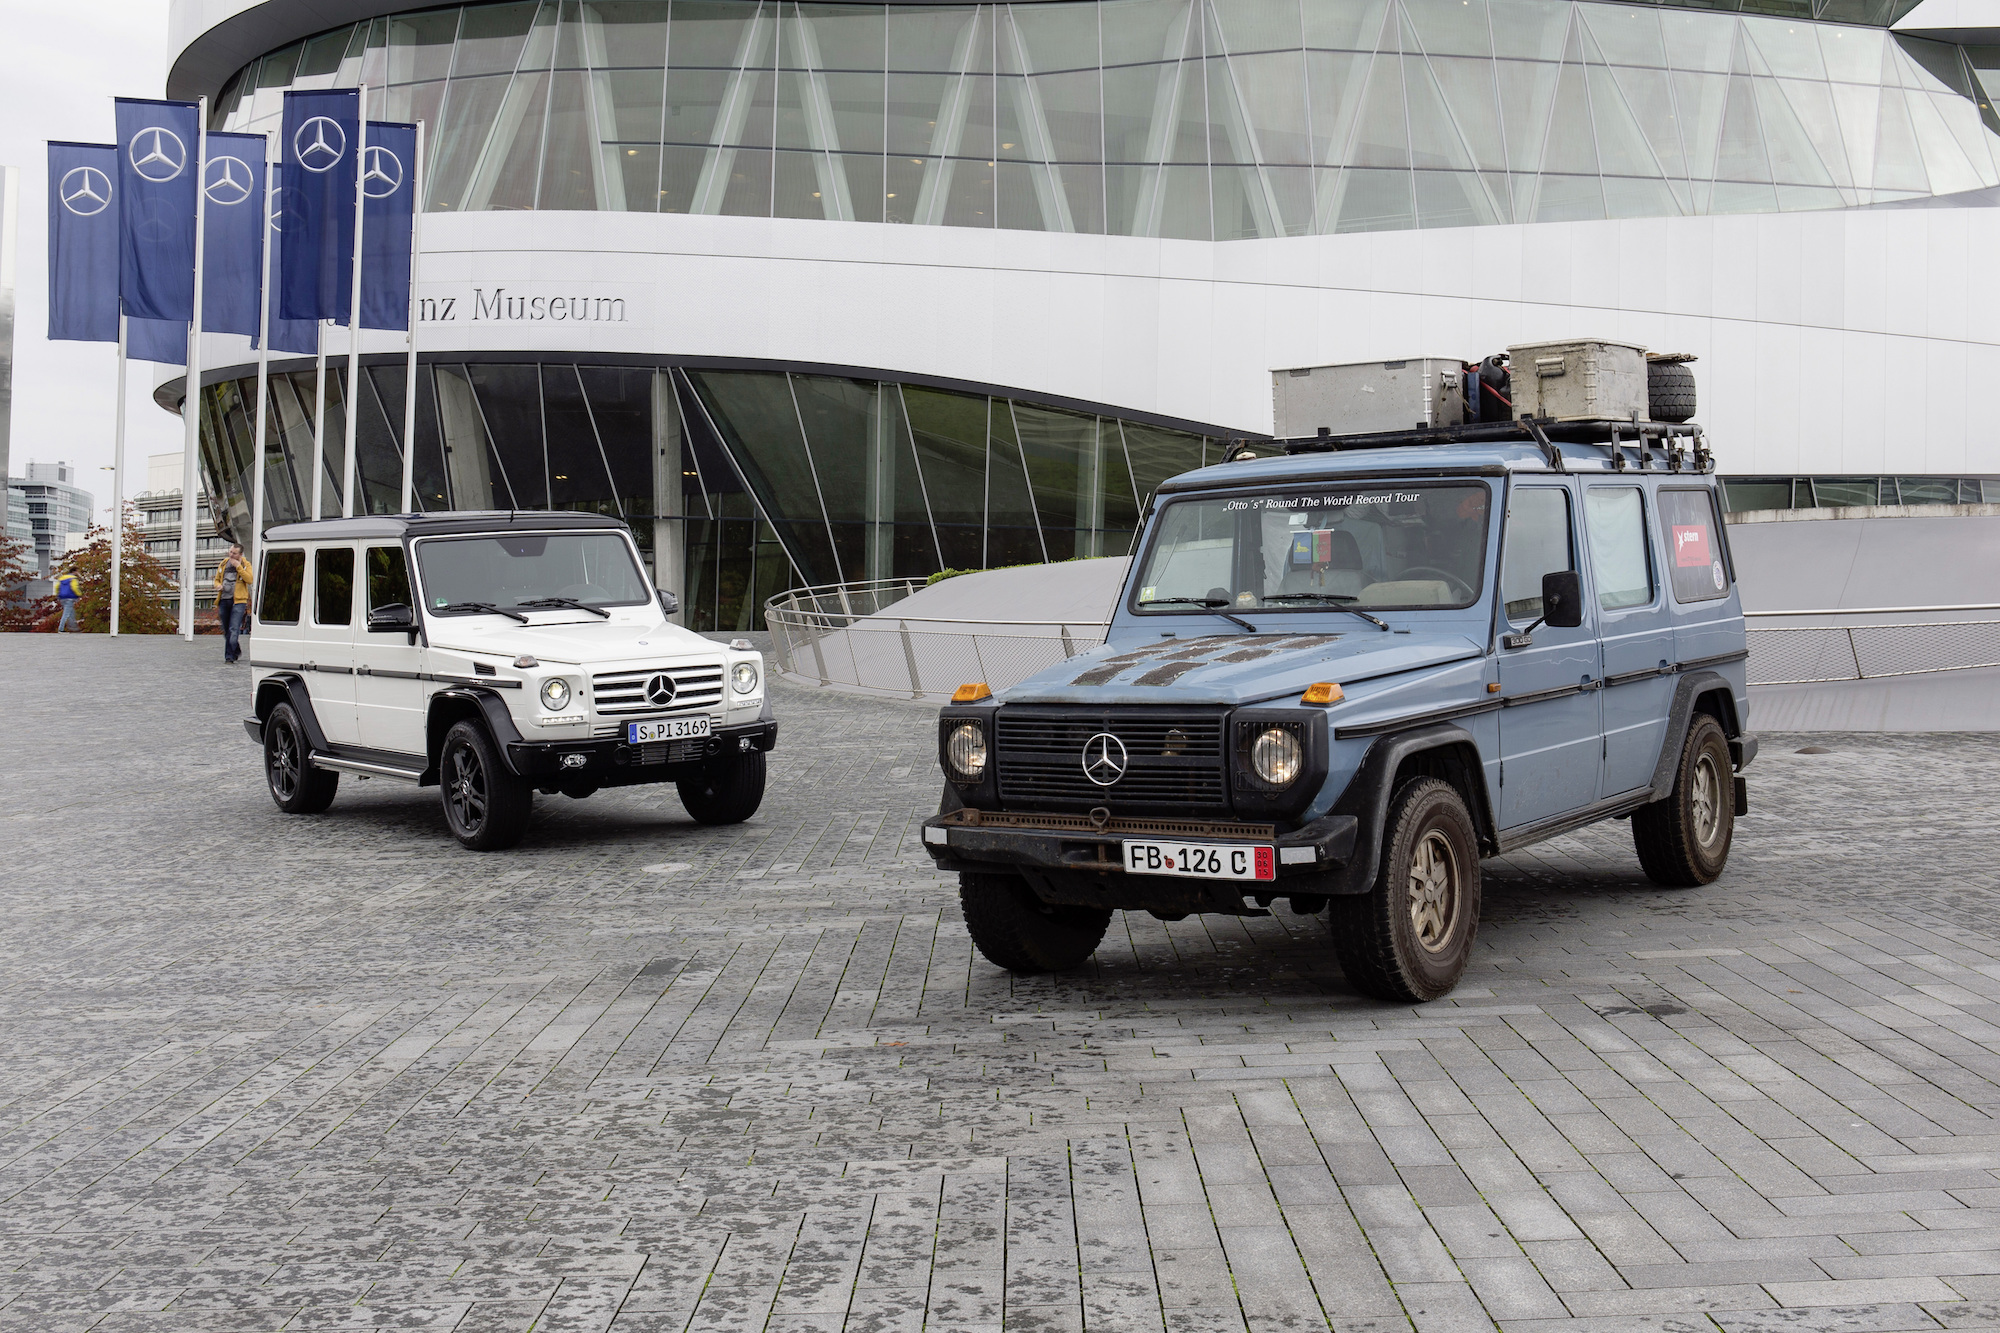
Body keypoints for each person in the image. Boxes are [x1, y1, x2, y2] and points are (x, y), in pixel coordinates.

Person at [213, 544, 253, 663]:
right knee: (226, 630)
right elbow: (216, 579)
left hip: (238, 601)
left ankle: (229, 657)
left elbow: (250, 579)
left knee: (233, 628)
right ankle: (236, 649)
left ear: (240, 554)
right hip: (224, 600)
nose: (231, 555)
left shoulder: (246, 564)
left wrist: (239, 567)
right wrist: (217, 586)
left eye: (234, 553)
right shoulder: (224, 563)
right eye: (230, 552)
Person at [54, 565, 82, 633]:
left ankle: (74, 627)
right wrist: (79, 594)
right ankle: (61, 629)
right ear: (74, 571)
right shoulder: (73, 578)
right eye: (77, 571)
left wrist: (58, 595)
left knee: (71, 612)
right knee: (66, 614)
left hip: (62, 597)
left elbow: (57, 587)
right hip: (70, 597)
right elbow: (74, 587)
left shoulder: (62, 578)